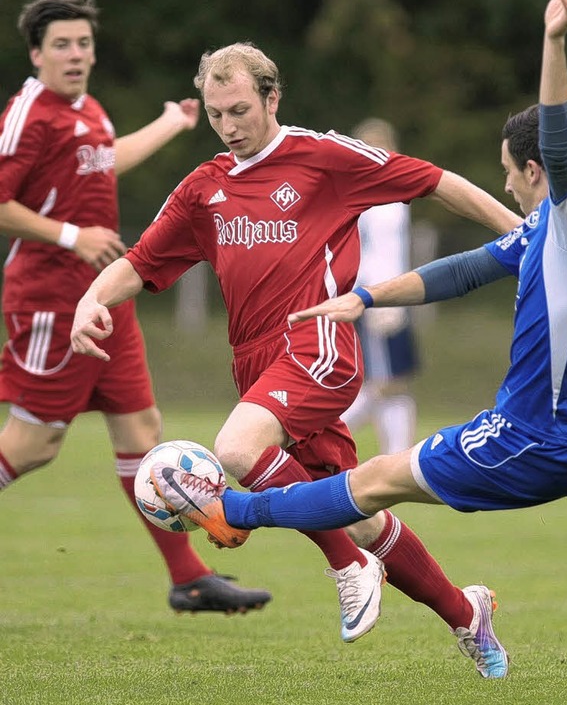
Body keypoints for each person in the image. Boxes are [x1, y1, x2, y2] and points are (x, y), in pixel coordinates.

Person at [150, 0, 567, 680]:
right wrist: (367, 300)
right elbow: (464, 270)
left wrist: (553, 40)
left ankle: (237, 510)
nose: (505, 186)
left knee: (374, 481)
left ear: (536, 172)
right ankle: (463, 613)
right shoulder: (555, 234)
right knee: (366, 504)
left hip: (540, 435)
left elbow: (558, 142)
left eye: (510, 173)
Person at [70, 36, 522, 644]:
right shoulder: (204, 188)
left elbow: (436, 180)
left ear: (272, 97)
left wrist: (523, 234)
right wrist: (89, 300)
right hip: (254, 363)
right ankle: (468, 617)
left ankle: (347, 563)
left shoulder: (324, 157)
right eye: (215, 115)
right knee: (357, 513)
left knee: (235, 449)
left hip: (317, 343)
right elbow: (139, 261)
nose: (228, 127)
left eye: (240, 111)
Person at [0, 0, 272, 615]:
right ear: (36, 53)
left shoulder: (86, 110)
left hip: (103, 303)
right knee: (33, 445)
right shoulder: (29, 113)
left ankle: (189, 579)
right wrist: (73, 235)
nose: (76, 55)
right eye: (62, 45)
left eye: (84, 43)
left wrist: (172, 124)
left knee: (142, 434)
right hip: (48, 304)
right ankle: (189, 576)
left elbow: (99, 165)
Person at [340, 118, 424, 455]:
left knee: (395, 382)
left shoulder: (391, 192)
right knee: (382, 383)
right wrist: (371, 297)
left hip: (396, 297)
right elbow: (364, 252)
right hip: (377, 299)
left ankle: (400, 456)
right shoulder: (363, 198)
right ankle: (322, 437)